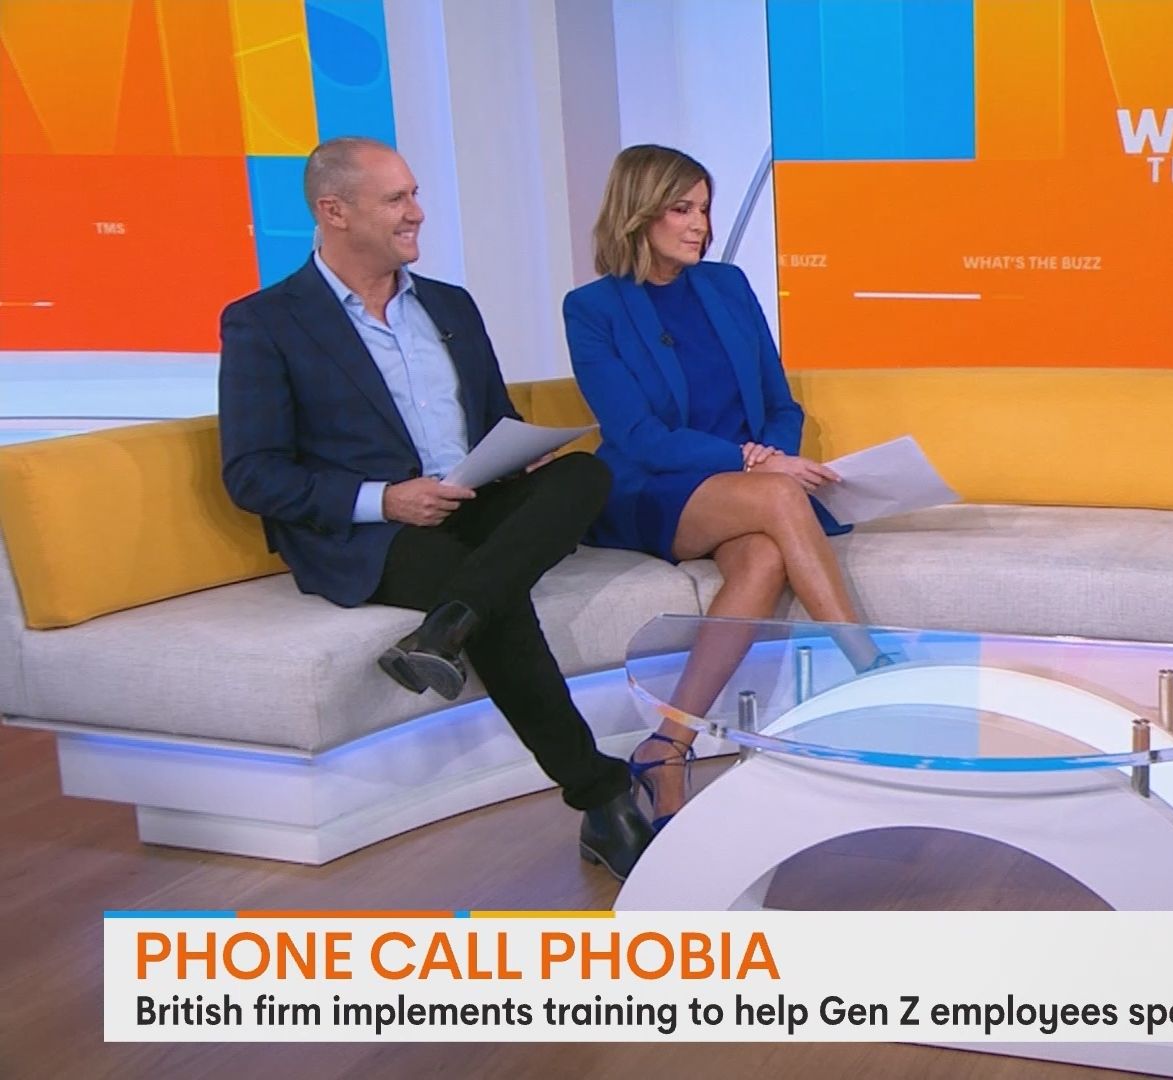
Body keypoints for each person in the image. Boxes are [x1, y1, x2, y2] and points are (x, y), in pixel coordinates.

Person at [218, 136, 655, 881]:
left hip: (473, 499)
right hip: (372, 532)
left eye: (414, 194)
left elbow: (492, 419)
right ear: (334, 211)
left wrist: (517, 454)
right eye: (397, 199)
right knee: (495, 594)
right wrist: (385, 499)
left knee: (584, 476)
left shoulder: (449, 305)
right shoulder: (265, 322)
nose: (417, 212)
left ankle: (447, 626)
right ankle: (601, 796)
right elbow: (252, 474)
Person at [562, 145, 880, 825]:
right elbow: (638, 434)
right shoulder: (593, 309)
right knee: (779, 496)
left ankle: (667, 744)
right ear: (638, 212)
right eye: (681, 209)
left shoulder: (726, 286)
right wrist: (754, 462)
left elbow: (780, 403)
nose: (699, 226)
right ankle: (870, 667)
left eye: (704, 209)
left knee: (764, 555)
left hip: (748, 485)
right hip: (655, 487)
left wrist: (773, 454)